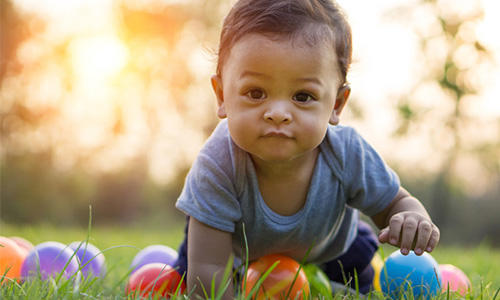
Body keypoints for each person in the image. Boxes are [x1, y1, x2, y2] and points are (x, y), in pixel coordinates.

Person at [174, 0, 440, 298]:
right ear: (222, 96)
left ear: (336, 105)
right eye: (255, 92)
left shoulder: (347, 153)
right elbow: (210, 270)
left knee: (358, 282)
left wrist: (411, 217)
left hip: (330, 251)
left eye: (302, 96)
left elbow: (394, 204)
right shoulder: (218, 164)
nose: (277, 112)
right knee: (192, 278)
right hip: (233, 256)